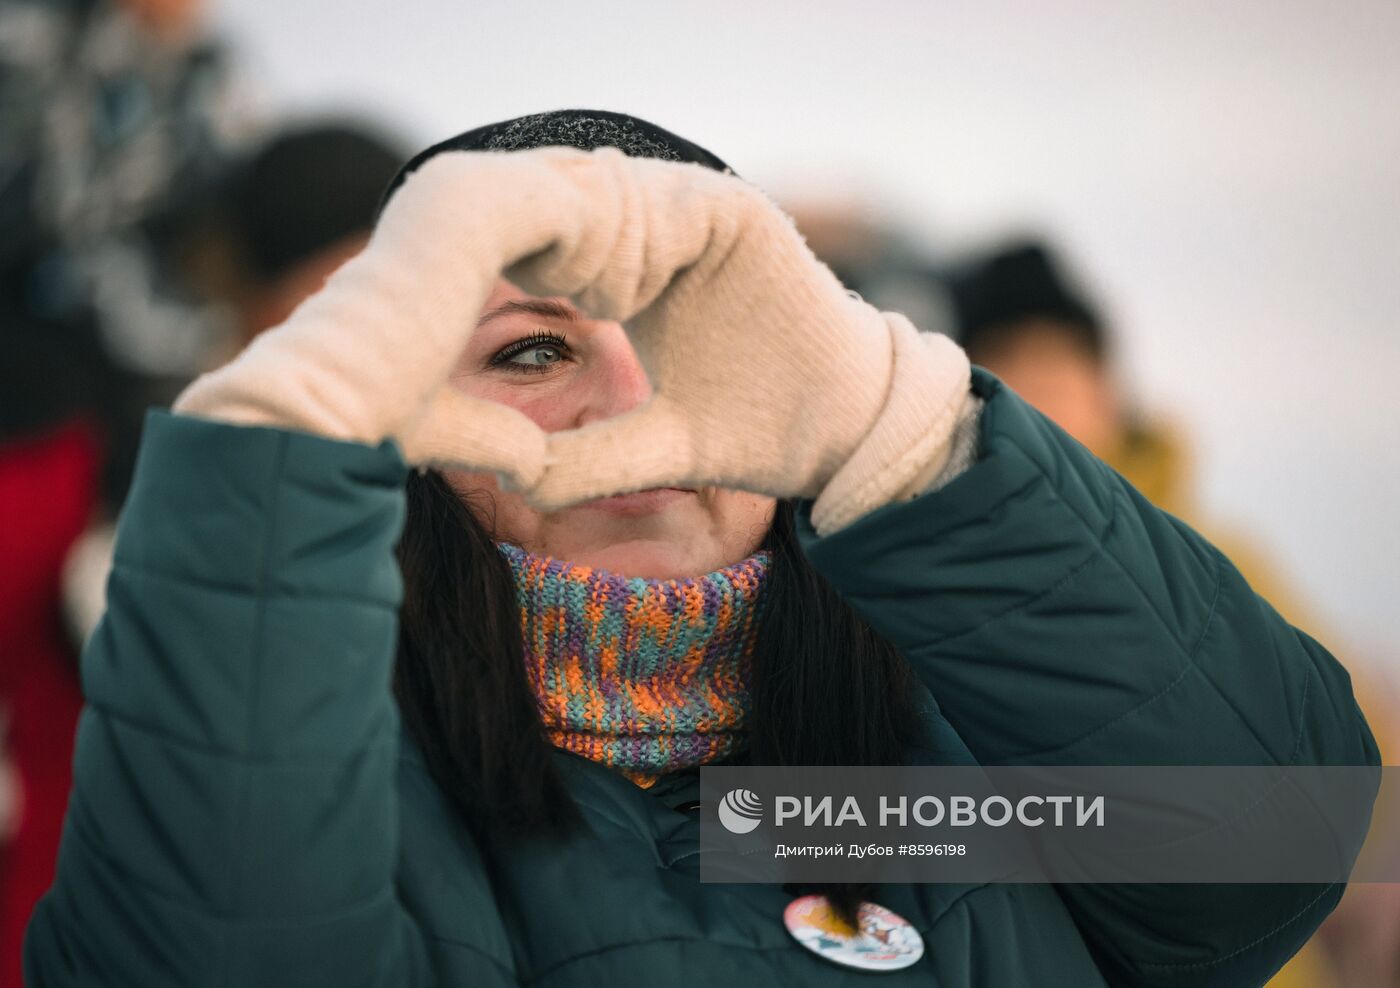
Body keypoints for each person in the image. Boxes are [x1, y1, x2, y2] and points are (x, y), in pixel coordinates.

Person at [23, 110, 1379, 986]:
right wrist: (289, 431)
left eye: (690, 343)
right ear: (412, 424)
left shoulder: (934, 776)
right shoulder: (322, 798)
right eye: (534, 351)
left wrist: (889, 423)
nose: (631, 402)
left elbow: (1277, 839)